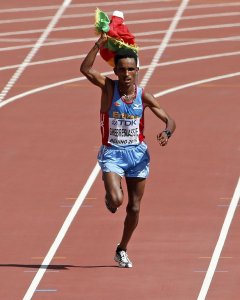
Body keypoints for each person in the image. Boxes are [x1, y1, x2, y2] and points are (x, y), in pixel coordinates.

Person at [80, 33, 176, 268]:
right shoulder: (108, 88)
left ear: (137, 70)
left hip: (137, 156)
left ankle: (121, 249)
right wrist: (98, 45)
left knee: (134, 207)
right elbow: (85, 69)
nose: (126, 74)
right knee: (116, 200)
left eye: (130, 70)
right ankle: (109, 195)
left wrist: (167, 132)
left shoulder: (143, 95)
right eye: (122, 70)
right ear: (116, 71)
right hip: (112, 153)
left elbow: (170, 120)